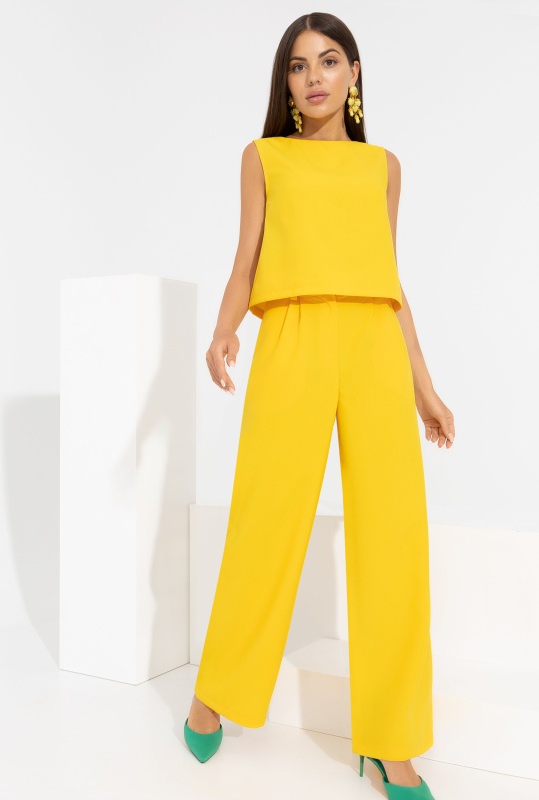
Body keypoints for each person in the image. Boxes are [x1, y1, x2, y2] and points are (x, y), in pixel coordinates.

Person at [183, 12, 454, 799]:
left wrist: (424, 384)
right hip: (293, 338)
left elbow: (390, 281)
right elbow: (246, 260)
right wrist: (224, 330)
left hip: (373, 344)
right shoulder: (263, 157)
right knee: (265, 522)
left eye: (329, 62)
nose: (314, 78)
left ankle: (392, 743)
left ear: (354, 73)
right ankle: (214, 693)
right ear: (287, 83)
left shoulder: (384, 168)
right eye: (298, 67)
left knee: (393, 540)